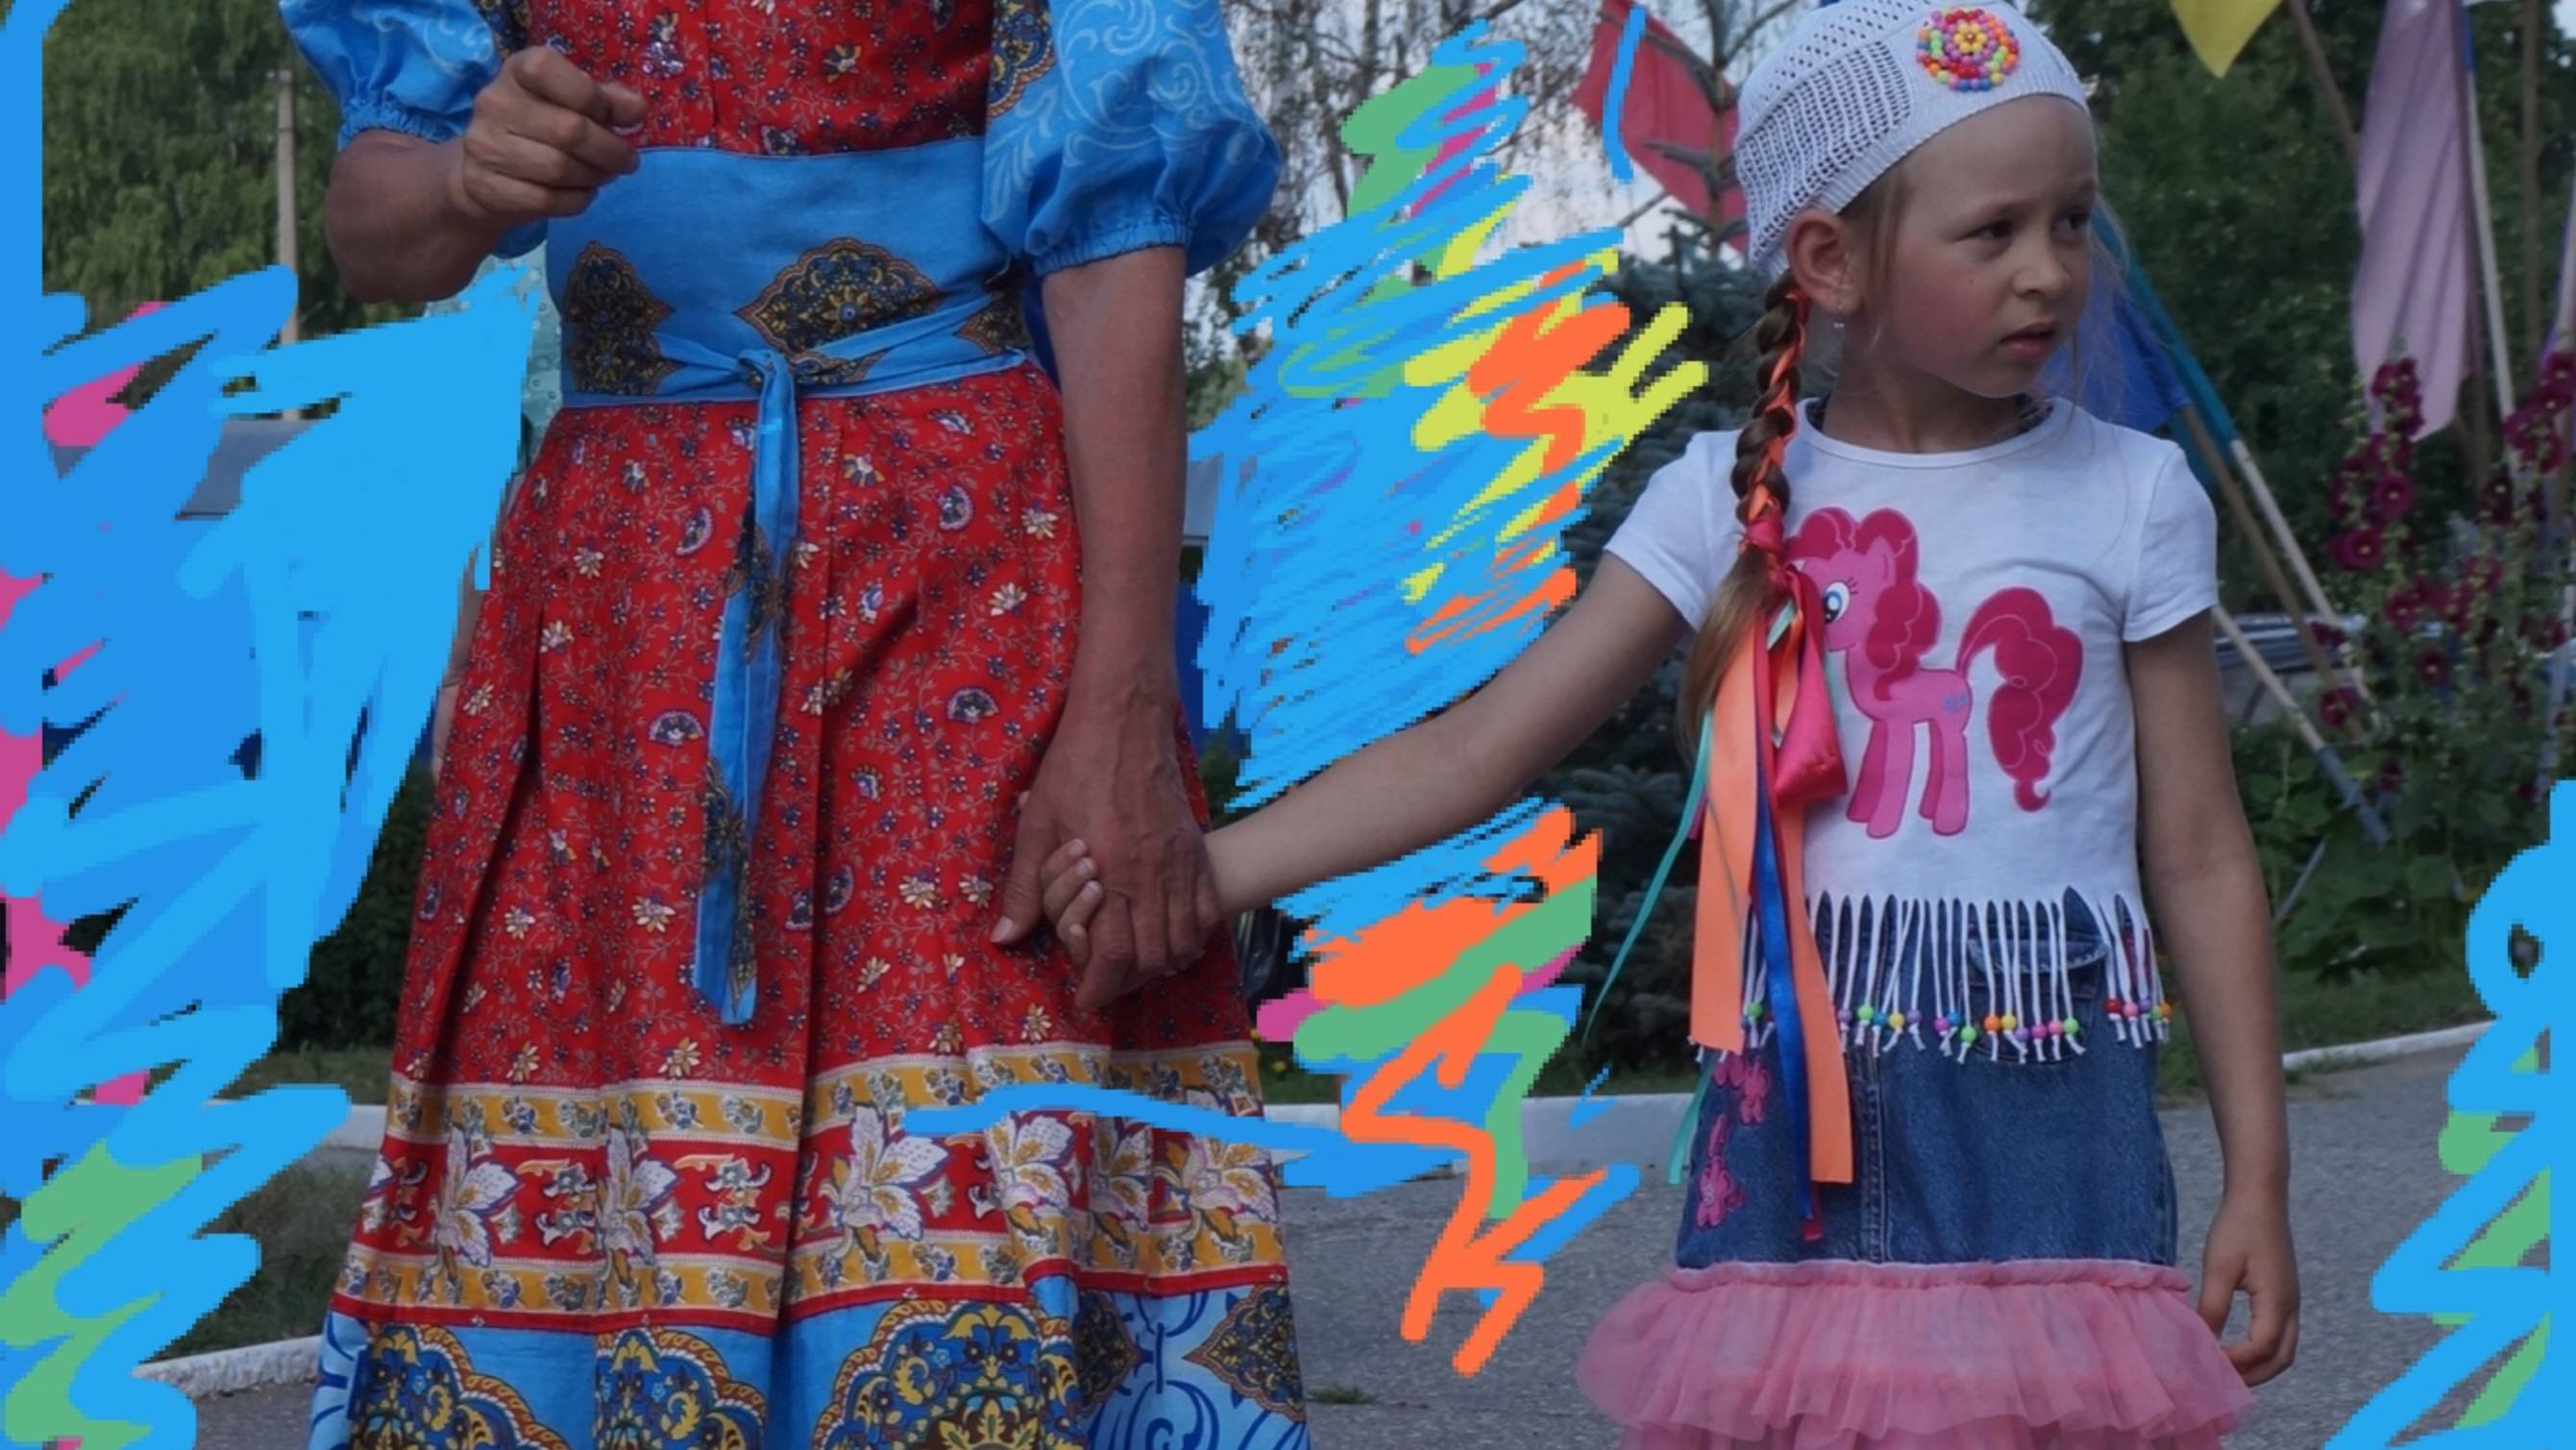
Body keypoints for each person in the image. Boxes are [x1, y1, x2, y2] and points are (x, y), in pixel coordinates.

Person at [1026, 4, 2297, 1444]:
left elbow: (2198, 851)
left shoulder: (2133, 495)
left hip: (2049, 1110)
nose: (2049, 270)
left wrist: (2258, 1175)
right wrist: (1203, 875)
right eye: (1993, 230)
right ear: (1832, 261)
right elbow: (1478, 747)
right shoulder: (1720, 505)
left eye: (2070, 220)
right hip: (1802, 1127)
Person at [281, 0, 1308, 1443]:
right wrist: (462, 177)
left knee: (980, 1180)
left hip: (959, 580)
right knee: (612, 1191)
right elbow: (379, 231)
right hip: (619, 608)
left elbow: (1115, 221)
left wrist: (1127, 703)